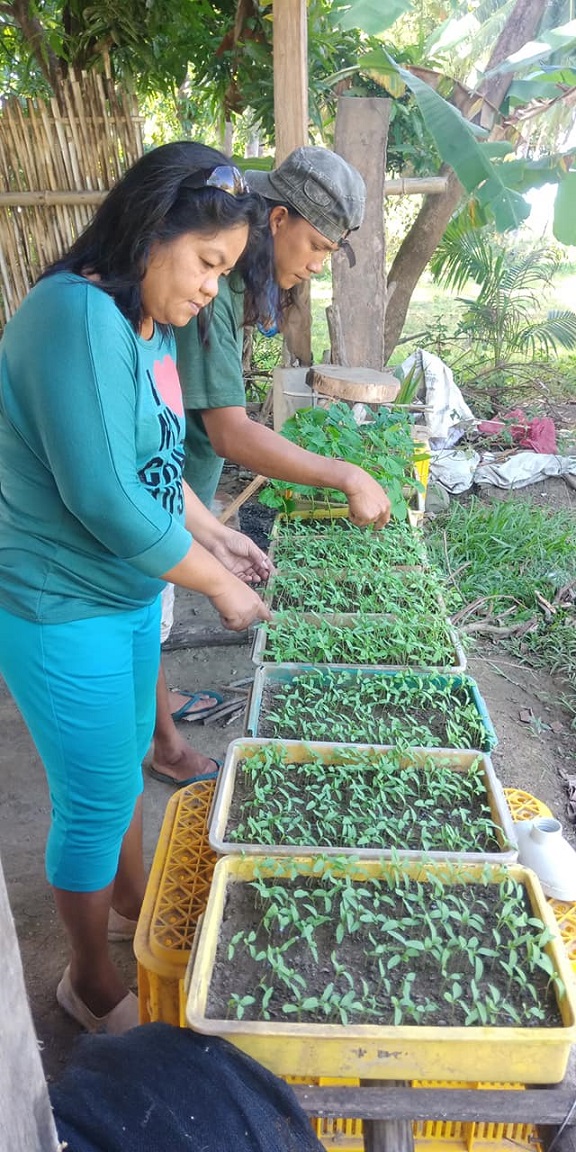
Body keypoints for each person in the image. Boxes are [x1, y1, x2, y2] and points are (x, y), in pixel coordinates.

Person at [0, 141, 272, 1034]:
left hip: (119, 596)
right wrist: (218, 590)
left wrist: (218, 535)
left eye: (223, 273)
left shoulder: (141, 329)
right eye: (206, 264)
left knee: (120, 771)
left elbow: (155, 467)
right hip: (60, 601)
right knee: (94, 797)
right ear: (154, 229)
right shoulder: (72, 316)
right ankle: (85, 980)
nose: (208, 289)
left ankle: (126, 909)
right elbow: (107, 499)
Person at [151, 146, 392, 787]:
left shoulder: (243, 275)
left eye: (329, 255)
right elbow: (230, 432)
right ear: (277, 218)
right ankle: (161, 744)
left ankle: (156, 715)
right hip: (161, 491)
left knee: (155, 615)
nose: (315, 266)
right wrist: (343, 473)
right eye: (314, 245)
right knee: (143, 613)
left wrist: (216, 533)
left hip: (181, 492)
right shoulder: (215, 290)